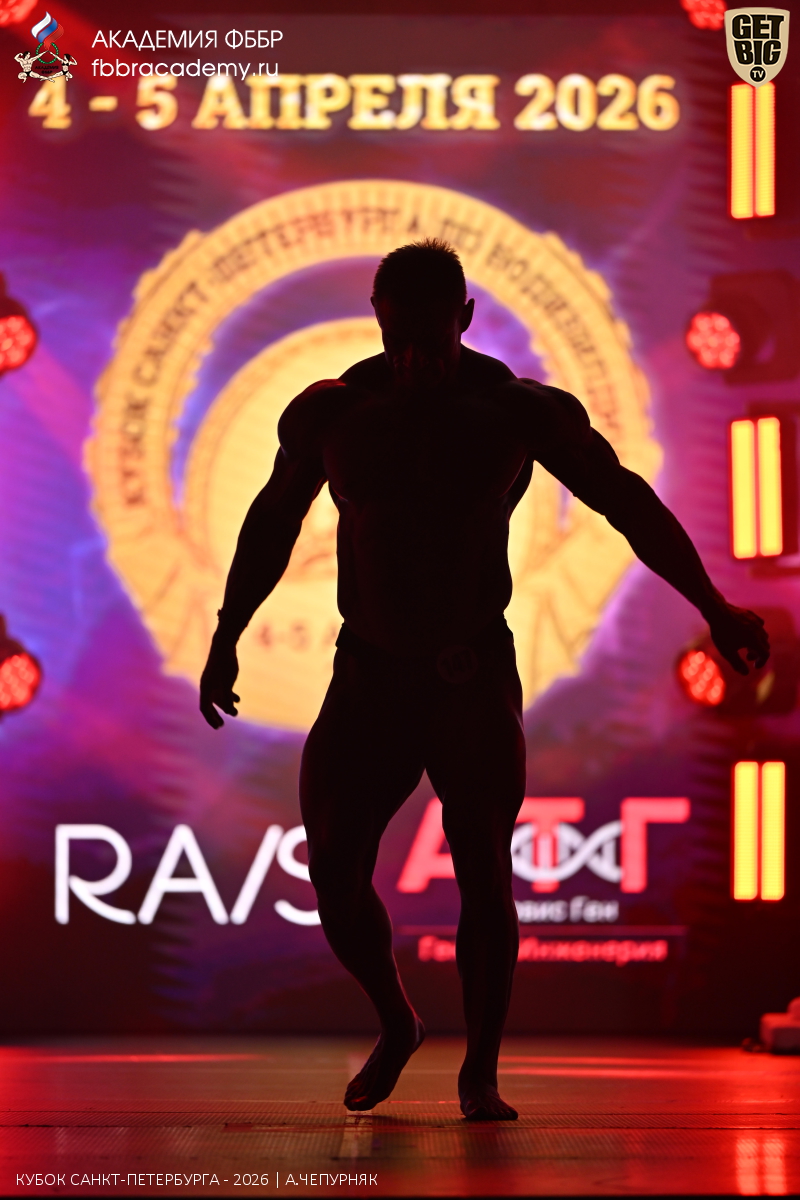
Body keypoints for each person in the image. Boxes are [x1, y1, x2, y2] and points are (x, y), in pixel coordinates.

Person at [199, 239, 769, 1121]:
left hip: (469, 670)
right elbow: (271, 521)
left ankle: (481, 1074)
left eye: (432, 337)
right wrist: (227, 632)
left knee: (483, 870)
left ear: (464, 320)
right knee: (336, 870)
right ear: (377, 321)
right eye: (398, 338)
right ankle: (397, 1022)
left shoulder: (517, 412)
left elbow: (626, 501)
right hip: (370, 669)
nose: (415, 359)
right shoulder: (332, 413)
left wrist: (715, 607)